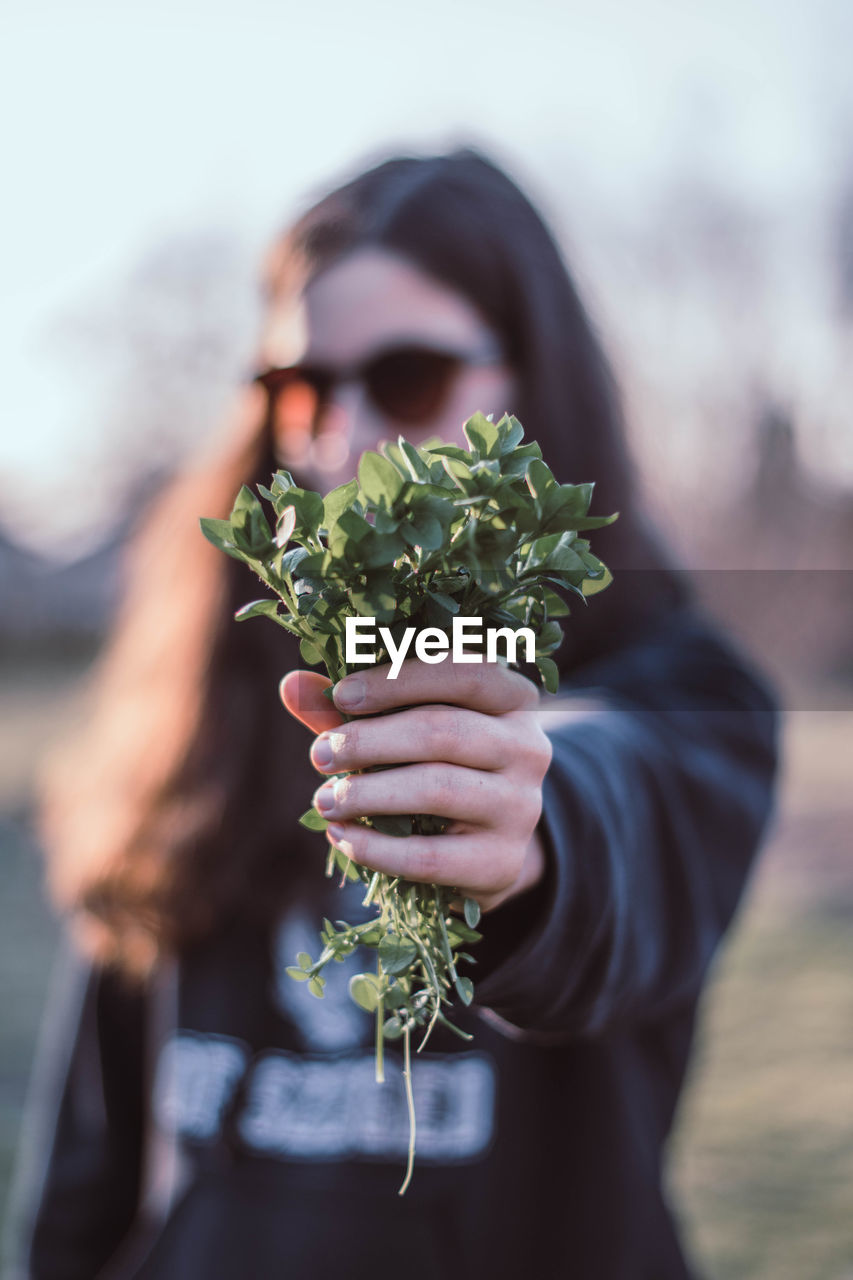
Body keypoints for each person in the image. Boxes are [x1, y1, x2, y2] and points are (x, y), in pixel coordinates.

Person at [9, 149, 779, 1278]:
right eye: (301, 389)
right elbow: (90, 1163)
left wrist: (528, 830)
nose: (344, 434)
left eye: (409, 377)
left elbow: (617, 793)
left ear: (532, 382)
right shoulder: (208, 697)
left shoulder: (679, 693)